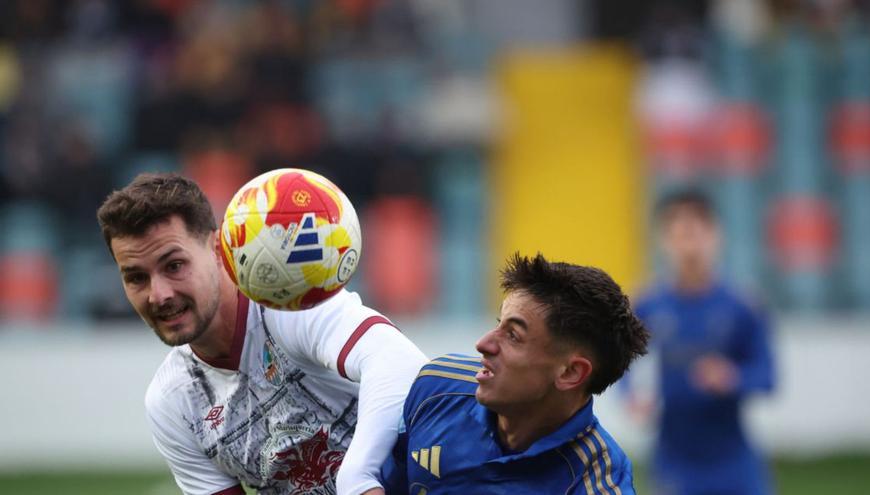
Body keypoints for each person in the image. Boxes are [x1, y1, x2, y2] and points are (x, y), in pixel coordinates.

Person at [96, 172, 427, 495]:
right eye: (136, 277)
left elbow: (400, 363)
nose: (159, 294)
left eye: (174, 266)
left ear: (218, 248)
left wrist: (358, 479)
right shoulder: (172, 402)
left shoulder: (291, 305)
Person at [379, 253, 650, 494]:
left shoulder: (595, 482)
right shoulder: (435, 388)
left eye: (513, 335)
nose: (483, 344)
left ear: (570, 372)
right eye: (499, 323)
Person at [631, 189, 775, 495]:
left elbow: (767, 375)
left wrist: (732, 377)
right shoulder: (647, 306)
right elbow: (624, 368)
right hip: (674, 461)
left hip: (734, 462)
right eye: (679, 234)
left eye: (697, 233)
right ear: (664, 241)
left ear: (716, 236)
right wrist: (633, 396)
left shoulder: (743, 306)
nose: (689, 246)